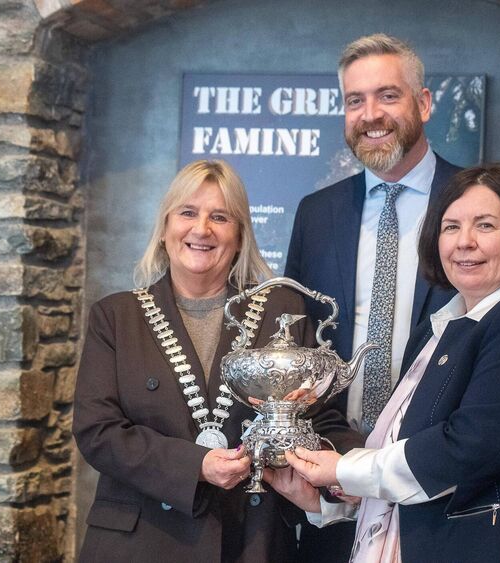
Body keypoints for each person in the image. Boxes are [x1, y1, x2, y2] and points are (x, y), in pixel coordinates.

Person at [273, 163, 500, 562]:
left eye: (485, 226)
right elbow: (426, 484)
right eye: (451, 227)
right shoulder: (434, 332)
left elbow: (469, 451)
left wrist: (344, 469)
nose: (464, 242)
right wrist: (327, 503)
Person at [73, 160, 361, 562]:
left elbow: (320, 416)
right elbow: (97, 432)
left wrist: (351, 469)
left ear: (240, 235)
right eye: (187, 213)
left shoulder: (283, 309)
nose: (201, 229)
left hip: (251, 539)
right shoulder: (116, 316)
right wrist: (197, 465)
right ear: (164, 228)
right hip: (140, 542)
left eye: (220, 217)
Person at [285, 34, 460, 558]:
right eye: (355, 100)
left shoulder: (475, 203)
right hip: (330, 482)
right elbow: (296, 343)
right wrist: (335, 456)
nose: (370, 114)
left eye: (388, 95)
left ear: (423, 103)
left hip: (440, 481)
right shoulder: (316, 214)